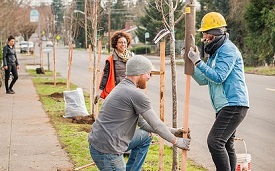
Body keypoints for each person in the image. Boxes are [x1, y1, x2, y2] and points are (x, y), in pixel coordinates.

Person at [88, 55, 191, 171]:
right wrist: (176, 142)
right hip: (107, 151)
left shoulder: (122, 87)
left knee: (145, 136)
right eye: (149, 73)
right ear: (140, 73)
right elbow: (156, 124)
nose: (149, 77)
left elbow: (144, 124)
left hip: (99, 142)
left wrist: (173, 131)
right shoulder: (135, 94)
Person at [188, 12, 249, 171]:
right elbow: (204, 79)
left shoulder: (227, 50)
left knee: (215, 141)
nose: (204, 37)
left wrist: (199, 62)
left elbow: (219, 77)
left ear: (216, 33)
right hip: (224, 105)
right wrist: (191, 65)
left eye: (206, 33)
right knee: (227, 144)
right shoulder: (215, 53)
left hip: (234, 104)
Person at [94, 31, 133, 104]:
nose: (123, 44)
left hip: (130, 90)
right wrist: (100, 91)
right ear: (115, 44)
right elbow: (105, 76)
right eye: (120, 42)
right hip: (117, 91)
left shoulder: (131, 57)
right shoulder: (111, 59)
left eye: (125, 42)